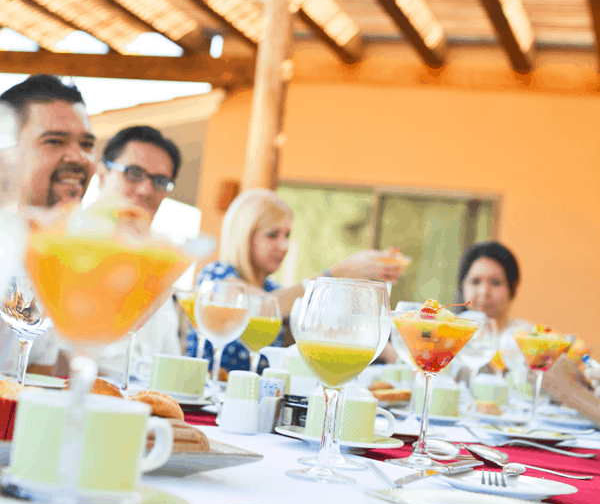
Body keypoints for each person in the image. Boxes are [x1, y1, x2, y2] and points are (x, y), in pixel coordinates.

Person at [190, 188, 407, 374]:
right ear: (245, 235)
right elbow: (260, 307)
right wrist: (340, 272)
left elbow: (313, 333)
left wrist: (387, 350)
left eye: (287, 235)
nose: (283, 245)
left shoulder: (274, 289)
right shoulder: (217, 275)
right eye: (272, 234)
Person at [0, 74, 97, 376]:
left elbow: (33, 379)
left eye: (87, 144)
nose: (78, 157)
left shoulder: (53, 254)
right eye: (54, 141)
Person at [94, 125, 184, 379]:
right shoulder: (59, 246)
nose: (145, 190)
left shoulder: (161, 261)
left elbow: (169, 365)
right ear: (102, 175)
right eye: (134, 173)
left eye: (159, 181)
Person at [456, 241, 525, 334]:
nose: (484, 292)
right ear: (462, 286)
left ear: (512, 289)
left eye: (495, 282)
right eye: (475, 281)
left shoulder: (529, 339)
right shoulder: (443, 333)